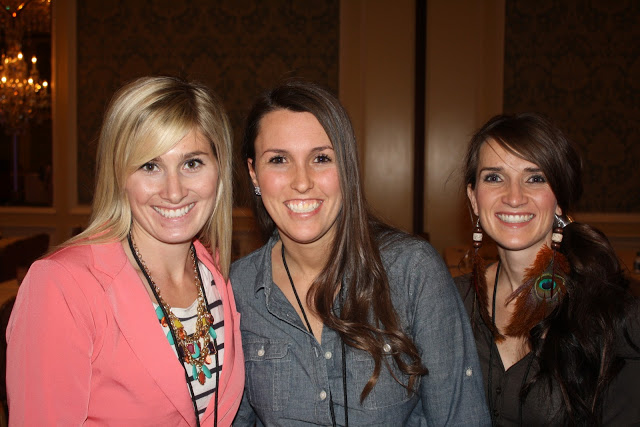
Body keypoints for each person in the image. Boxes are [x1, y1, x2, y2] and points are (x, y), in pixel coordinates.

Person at [231, 81, 490, 426]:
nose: (302, 181)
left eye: (321, 158)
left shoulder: (412, 271)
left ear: (348, 167)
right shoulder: (238, 288)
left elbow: (461, 416)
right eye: (278, 160)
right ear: (254, 173)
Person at [6, 76, 244, 426]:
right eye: (150, 166)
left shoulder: (217, 273)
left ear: (219, 170)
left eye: (192, 163)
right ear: (119, 175)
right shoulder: (62, 286)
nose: (174, 191)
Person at [457, 113, 640, 425]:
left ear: (559, 199)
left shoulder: (606, 310)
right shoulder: (451, 301)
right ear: (474, 198)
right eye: (494, 177)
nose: (514, 197)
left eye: (535, 178)